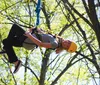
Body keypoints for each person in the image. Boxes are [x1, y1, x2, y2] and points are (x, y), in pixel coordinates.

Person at [0, 24, 77, 73]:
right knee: (6, 42)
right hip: (28, 41)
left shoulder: (55, 44)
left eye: (67, 45)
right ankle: (13, 59)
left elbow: (41, 44)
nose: (66, 43)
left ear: (65, 48)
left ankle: (8, 52)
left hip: (29, 41)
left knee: (15, 27)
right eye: (68, 42)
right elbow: (41, 37)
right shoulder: (55, 39)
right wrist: (36, 30)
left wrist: (29, 35)